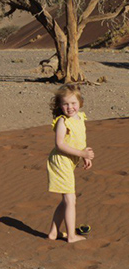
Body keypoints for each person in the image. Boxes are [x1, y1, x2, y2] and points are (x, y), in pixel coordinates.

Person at [47, 84, 95, 243]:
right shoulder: (62, 121)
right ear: (60, 105)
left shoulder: (81, 118)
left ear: (80, 102)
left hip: (69, 162)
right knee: (70, 200)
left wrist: (85, 154)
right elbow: (59, 144)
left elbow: (79, 139)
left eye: (73, 103)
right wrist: (82, 153)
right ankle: (71, 236)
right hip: (60, 162)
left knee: (66, 200)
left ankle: (54, 233)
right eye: (65, 104)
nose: (70, 107)